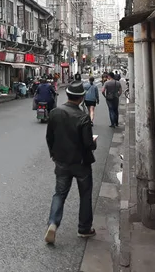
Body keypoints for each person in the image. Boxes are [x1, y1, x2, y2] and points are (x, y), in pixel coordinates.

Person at [44, 81, 97, 244]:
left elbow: (49, 137)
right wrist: (94, 142)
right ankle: (84, 228)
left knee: (59, 194)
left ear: (67, 95)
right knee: (85, 194)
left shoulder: (55, 113)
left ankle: (53, 223)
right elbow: (88, 144)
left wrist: (53, 154)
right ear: (81, 98)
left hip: (61, 162)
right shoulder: (83, 117)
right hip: (81, 163)